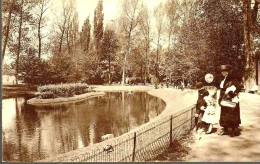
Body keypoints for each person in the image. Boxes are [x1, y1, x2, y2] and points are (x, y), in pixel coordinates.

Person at [218, 65, 242, 137]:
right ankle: (225, 129)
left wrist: (232, 93)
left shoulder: (233, 79)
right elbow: (222, 90)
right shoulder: (223, 80)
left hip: (231, 100)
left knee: (232, 115)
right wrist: (220, 99)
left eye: (224, 71)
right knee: (224, 115)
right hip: (224, 99)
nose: (223, 73)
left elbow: (238, 88)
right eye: (222, 71)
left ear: (228, 72)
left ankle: (233, 130)